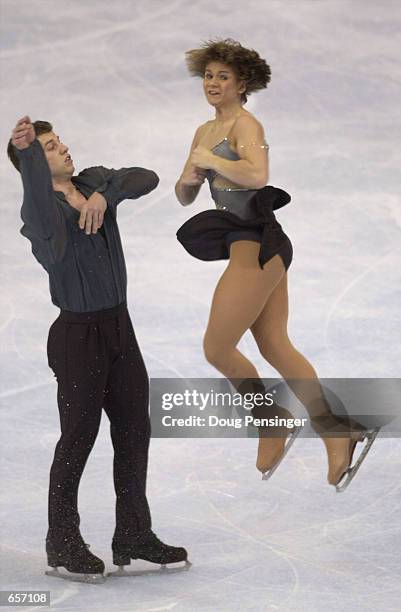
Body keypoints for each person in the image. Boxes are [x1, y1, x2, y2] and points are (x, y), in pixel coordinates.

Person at [175, 38, 375, 490]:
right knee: (274, 345)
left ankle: (272, 419)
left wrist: (208, 162)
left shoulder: (247, 125)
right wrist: (188, 180)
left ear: (241, 82)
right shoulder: (204, 132)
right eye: (208, 75)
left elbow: (258, 175)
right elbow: (185, 193)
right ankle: (333, 427)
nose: (212, 83)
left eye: (222, 76)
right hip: (247, 242)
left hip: (258, 244)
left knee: (217, 348)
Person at [8, 116, 189, 582]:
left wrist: (106, 196)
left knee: (134, 430)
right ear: (32, 164)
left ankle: (133, 533)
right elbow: (34, 193)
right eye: (51, 147)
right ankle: (63, 542)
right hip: (78, 339)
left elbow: (143, 177)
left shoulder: (90, 181)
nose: (63, 148)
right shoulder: (41, 216)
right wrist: (29, 154)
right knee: (78, 440)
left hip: (120, 330)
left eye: (58, 140)